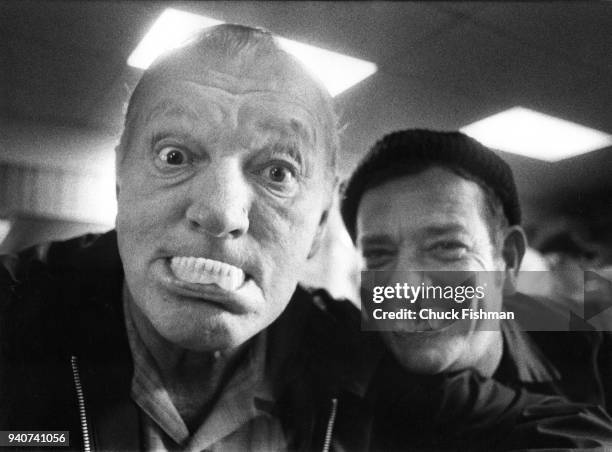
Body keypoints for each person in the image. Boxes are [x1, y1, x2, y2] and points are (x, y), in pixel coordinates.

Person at [2, 26, 612, 451]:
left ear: (319, 225)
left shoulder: (578, 320)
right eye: (174, 154)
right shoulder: (17, 312)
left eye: (277, 173)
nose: (221, 212)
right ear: (119, 179)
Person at [341, 128, 612, 418]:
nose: (403, 287)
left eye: (446, 247)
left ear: (507, 261)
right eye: (377, 255)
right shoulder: (336, 376)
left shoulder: (596, 360)